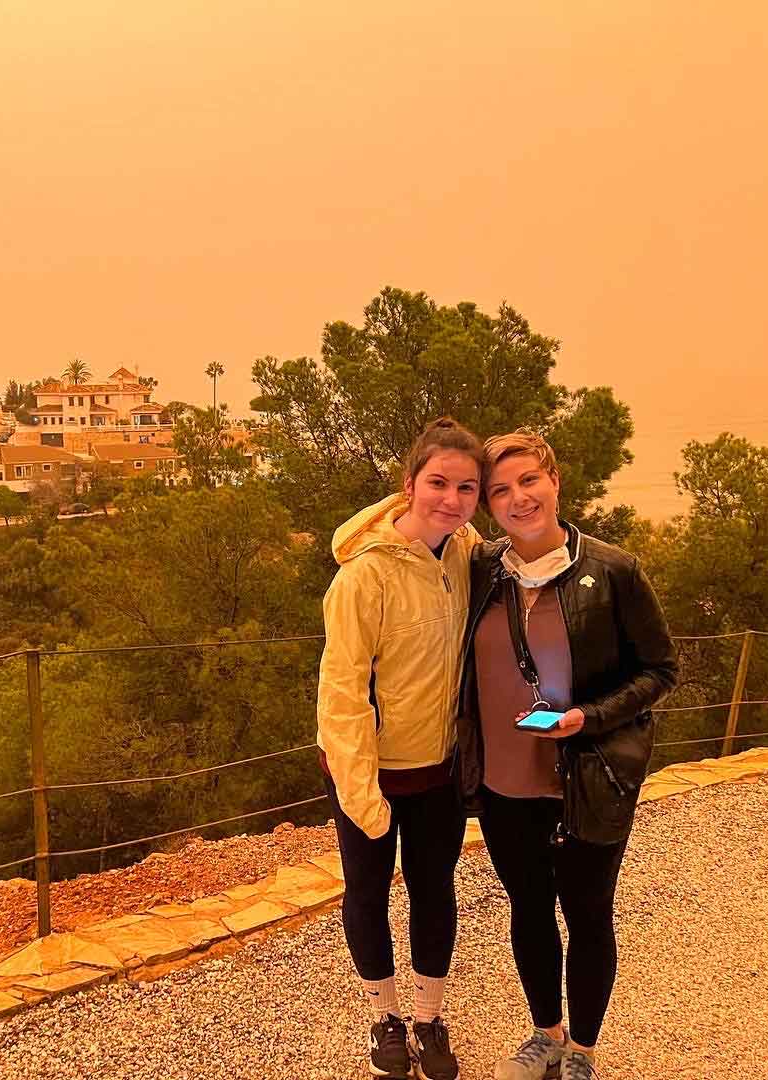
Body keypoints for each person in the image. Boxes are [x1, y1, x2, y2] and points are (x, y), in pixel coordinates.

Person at [455, 431, 677, 1080]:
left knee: (587, 915)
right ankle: (544, 1033)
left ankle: (581, 1049)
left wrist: (588, 717)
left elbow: (661, 670)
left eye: (529, 481)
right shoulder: (482, 574)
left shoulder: (614, 571)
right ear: (488, 505)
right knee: (528, 911)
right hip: (503, 785)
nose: (518, 498)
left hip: (587, 781)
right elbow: (394, 531)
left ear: (555, 480)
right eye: (499, 490)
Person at [317, 417, 485, 1080]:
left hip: (437, 766)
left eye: (466, 487)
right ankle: (384, 1018)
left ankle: (428, 1017)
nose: (451, 498)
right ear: (409, 484)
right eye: (438, 483)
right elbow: (342, 692)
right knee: (366, 892)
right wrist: (363, 794)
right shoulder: (363, 578)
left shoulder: (467, 554)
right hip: (367, 768)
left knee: (433, 890)